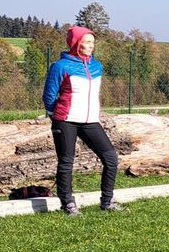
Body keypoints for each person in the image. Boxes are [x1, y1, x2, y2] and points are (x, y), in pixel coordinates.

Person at [43, 26, 122, 215]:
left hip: (90, 122)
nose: (91, 46)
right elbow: (49, 96)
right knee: (66, 162)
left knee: (111, 158)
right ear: (75, 43)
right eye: (86, 42)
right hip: (66, 121)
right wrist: (58, 115)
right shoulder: (60, 66)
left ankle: (107, 201)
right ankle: (68, 204)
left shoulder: (97, 66)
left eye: (93, 42)